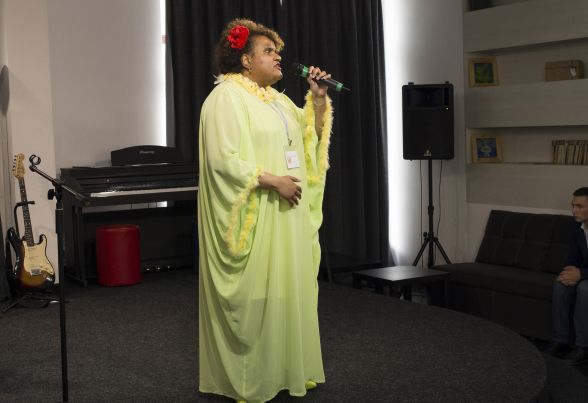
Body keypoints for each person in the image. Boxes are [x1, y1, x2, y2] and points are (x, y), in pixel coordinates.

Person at [197, 18, 333, 402]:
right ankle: (250, 379)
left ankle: (286, 369)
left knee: (288, 291)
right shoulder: (225, 97)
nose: (278, 58)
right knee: (256, 296)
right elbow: (223, 159)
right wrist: (273, 180)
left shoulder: (277, 99)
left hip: (287, 211)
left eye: (277, 52)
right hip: (259, 210)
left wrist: (318, 99)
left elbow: (308, 137)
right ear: (245, 60)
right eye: (268, 51)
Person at [547, 187, 588, 366]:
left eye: (579, 206)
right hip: (583, 272)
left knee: (584, 288)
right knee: (560, 284)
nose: (574, 211)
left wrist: (581, 274)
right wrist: (568, 272)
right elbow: (573, 255)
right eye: (573, 206)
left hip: (585, 276)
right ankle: (561, 341)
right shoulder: (576, 225)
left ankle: (583, 347)